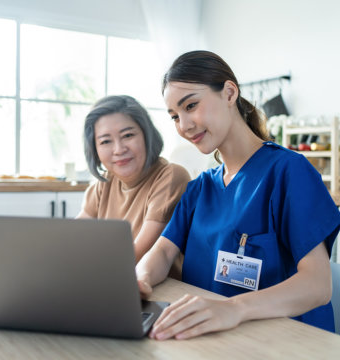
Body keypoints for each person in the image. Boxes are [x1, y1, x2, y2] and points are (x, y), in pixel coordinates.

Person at [136, 50, 340, 340]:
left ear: (229, 93)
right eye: (174, 117)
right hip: (218, 339)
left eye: (191, 105)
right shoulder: (200, 188)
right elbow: (163, 251)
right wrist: (140, 279)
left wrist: (233, 308)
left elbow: (318, 286)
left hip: (288, 341)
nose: (184, 125)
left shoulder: (289, 172)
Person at [77, 95, 191, 264]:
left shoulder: (170, 176)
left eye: (128, 135)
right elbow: (73, 240)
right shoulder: (103, 185)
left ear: (146, 135)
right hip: (110, 275)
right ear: (95, 149)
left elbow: (139, 252)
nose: (119, 149)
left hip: (159, 286)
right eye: (106, 141)